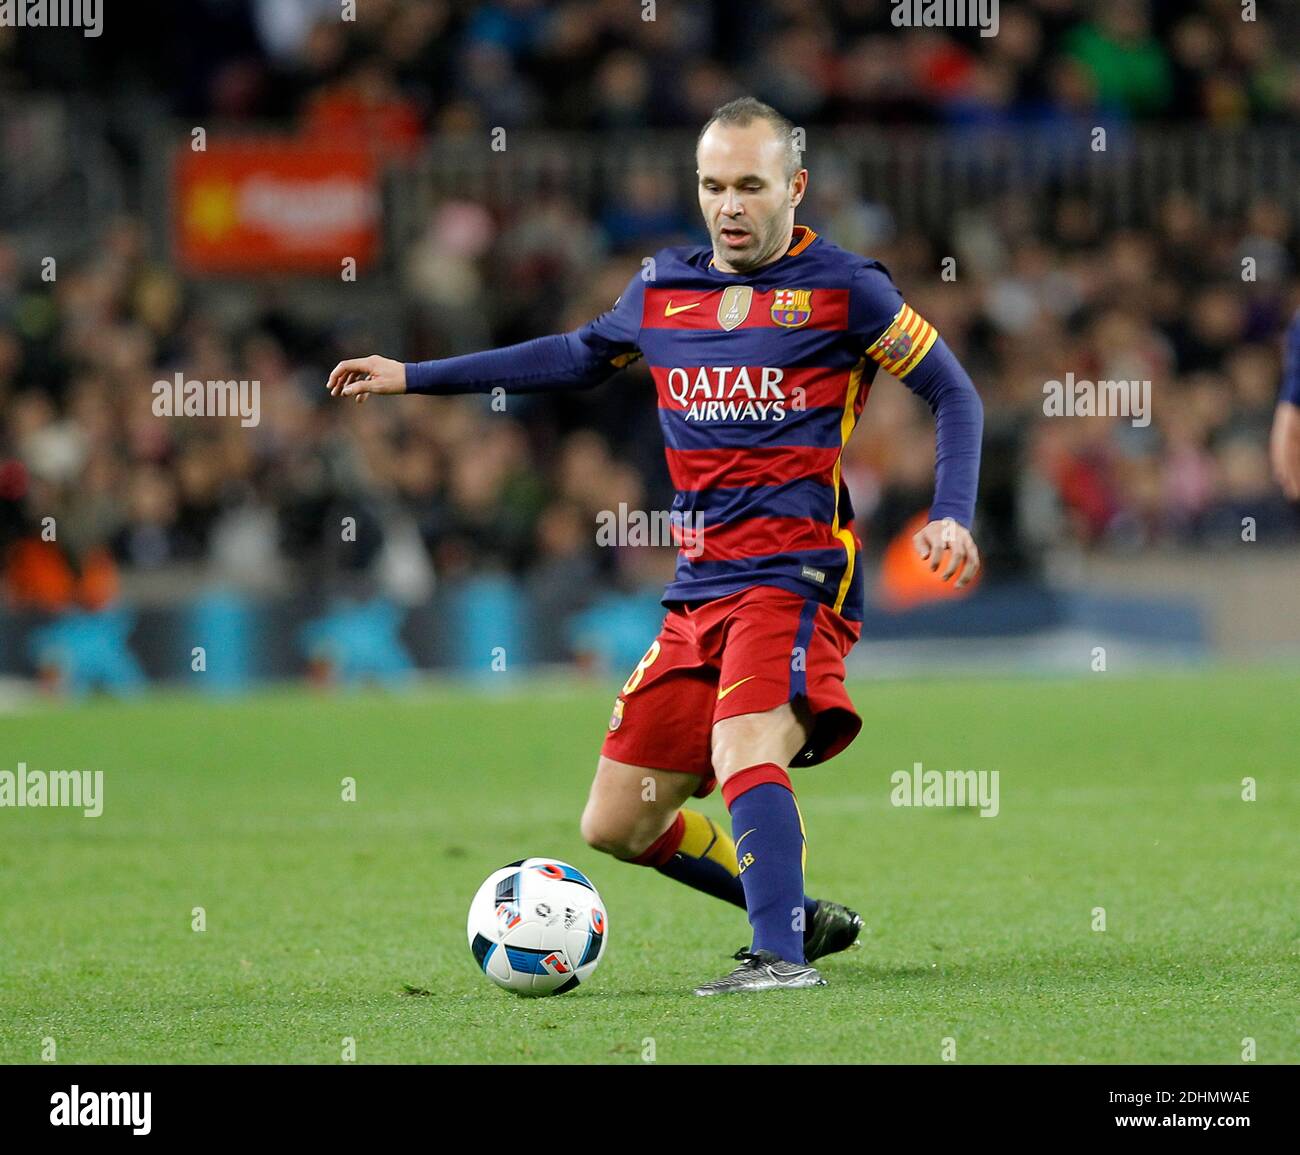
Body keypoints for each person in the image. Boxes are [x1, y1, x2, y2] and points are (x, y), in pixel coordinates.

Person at [328, 97, 984, 995]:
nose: (731, 206)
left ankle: (780, 961)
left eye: (751, 186)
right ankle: (790, 911)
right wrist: (411, 377)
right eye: (714, 186)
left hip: (796, 579)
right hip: (699, 590)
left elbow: (955, 393)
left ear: (794, 187)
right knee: (617, 822)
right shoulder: (664, 291)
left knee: (745, 742)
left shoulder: (845, 289)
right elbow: (567, 356)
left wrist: (950, 509)